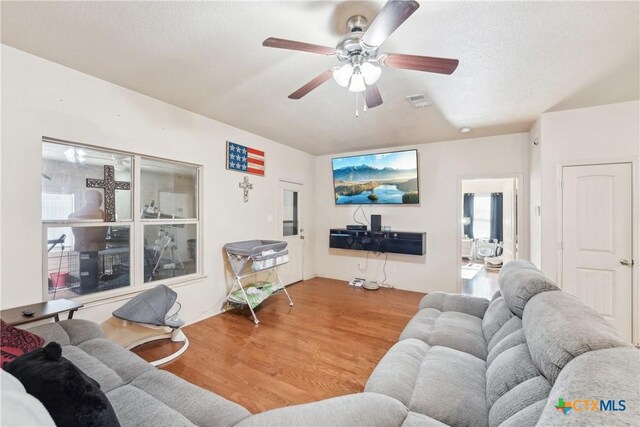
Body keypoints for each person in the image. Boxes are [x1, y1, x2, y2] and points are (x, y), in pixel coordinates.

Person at [69, 190, 108, 293]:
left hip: (87, 249)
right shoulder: (103, 215)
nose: (101, 201)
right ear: (96, 199)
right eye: (100, 198)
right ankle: (90, 291)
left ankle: (87, 290)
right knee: (90, 273)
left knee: (89, 272)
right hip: (90, 249)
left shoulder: (75, 215)